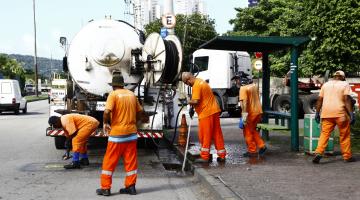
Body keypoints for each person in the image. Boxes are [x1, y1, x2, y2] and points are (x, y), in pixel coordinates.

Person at [96, 72, 148, 196]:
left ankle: (106, 188)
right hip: (131, 134)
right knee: (131, 161)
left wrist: (105, 123)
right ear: (122, 84)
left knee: (109, 161)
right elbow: (141, 112)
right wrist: (138, 121)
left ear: (113, 86)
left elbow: (107, 112)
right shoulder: (131, 95)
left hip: (117, 135)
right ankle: (131, 187)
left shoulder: (113, 95)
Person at [181, 72, 227, 163]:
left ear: (188, 80)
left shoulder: (196, 86)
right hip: (214, 111)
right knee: (217, 134)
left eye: (187, 83)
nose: (188, 85)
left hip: (206, 113)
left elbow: (195, 101)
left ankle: (205, 157)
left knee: (205, 135)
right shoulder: (201, 82)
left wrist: (187, 101)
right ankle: (222, 155)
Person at [313, 70, 356, 164]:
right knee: (344, 135)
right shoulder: (345, 84)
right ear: (343, 77)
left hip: (326, 113)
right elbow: (346, 99)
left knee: (324, 134)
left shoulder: (325, 85)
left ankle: (318, 152)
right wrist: (351, 114)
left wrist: (317, 113)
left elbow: (319, 99)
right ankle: (347, 156)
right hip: (340, 114)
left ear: (334, 76)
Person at [238, 77, 267, 157]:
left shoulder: (243, 88)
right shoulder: (253, 86)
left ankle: (252, 151)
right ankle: (262, 146)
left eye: (237, 80)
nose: (236, 82)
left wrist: (244, 115)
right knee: (253, 130)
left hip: (250, 114)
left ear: (240, 82)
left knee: (247, 132)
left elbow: (245, 102)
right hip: (258, 112)